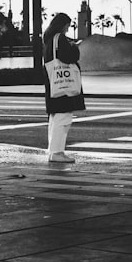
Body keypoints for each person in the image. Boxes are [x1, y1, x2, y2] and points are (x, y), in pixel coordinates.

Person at [42, 12, 85, 163]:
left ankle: (53, 151)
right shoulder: (59, 38)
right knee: (63, 116)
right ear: (63, 25)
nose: (68, 28)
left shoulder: (48, 40)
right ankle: (57, 153)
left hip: (54, 82)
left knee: (55, 117)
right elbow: (69, 57)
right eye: (67, 25)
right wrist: (74, 46)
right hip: (63, 84)